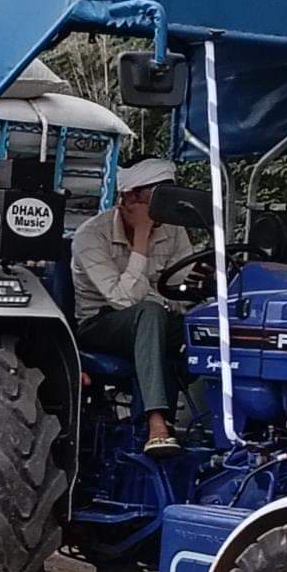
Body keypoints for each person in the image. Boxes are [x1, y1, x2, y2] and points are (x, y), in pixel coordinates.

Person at [71, 157, 198, 455]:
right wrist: (141, 237)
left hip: (156, 317)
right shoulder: (91, 236)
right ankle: (156, 422)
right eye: (158, 199)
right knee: (149, 313)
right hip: (101, 323)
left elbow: (182, 291)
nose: (165, 210)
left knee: (205, 327)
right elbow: (123, 300)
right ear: (130, 197)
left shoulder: (174, 231)